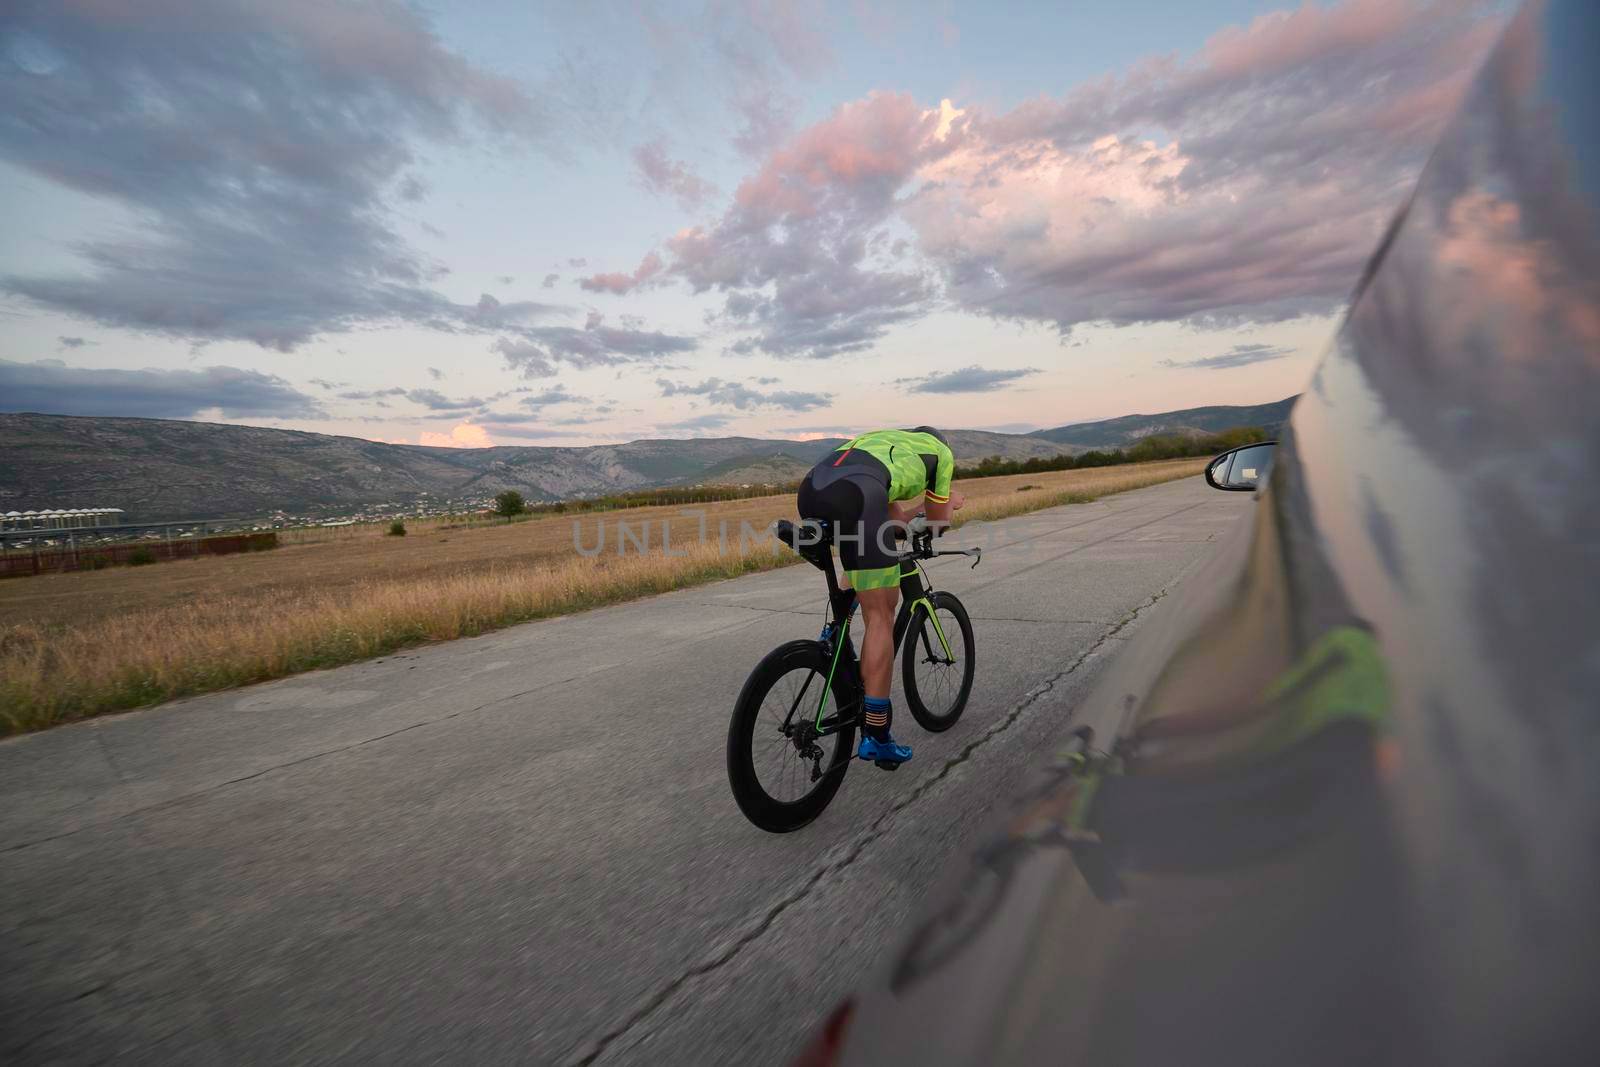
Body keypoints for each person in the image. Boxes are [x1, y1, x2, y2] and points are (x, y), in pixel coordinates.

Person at [796, 427, 965, 767]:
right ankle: (877, 734)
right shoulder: (942, 455)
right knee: (881, 615)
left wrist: (910, 513)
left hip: (813, 489)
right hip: (858, 495)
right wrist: (947, 504)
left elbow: (893, 519)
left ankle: (834, 634)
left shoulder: (888, 445)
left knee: (864, 561)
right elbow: (937, 524)